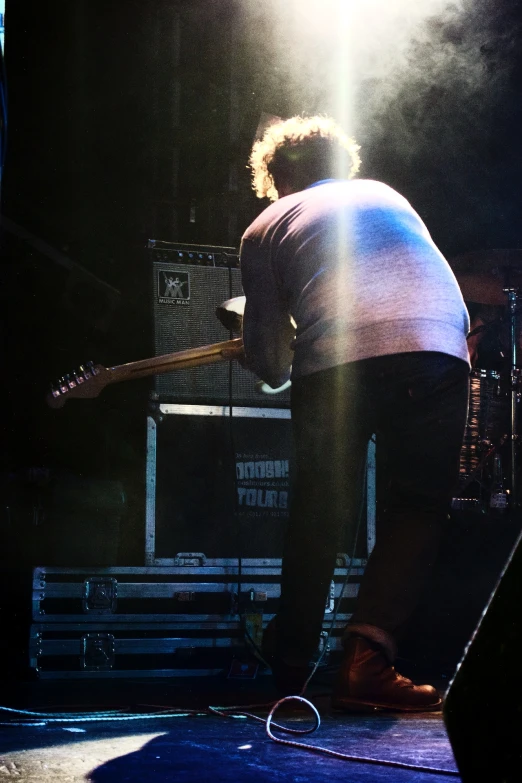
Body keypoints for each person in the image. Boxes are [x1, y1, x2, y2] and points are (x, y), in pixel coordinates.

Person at [239, 115, 470, 711]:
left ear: (276, 177)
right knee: (416, 507)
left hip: (340, 361)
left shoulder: (265, 226)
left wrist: (260, 337)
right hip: (440, 345)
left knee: (318, 513)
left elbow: (270, 366)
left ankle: (291, 672)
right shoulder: (386, 195)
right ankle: (366, 664)